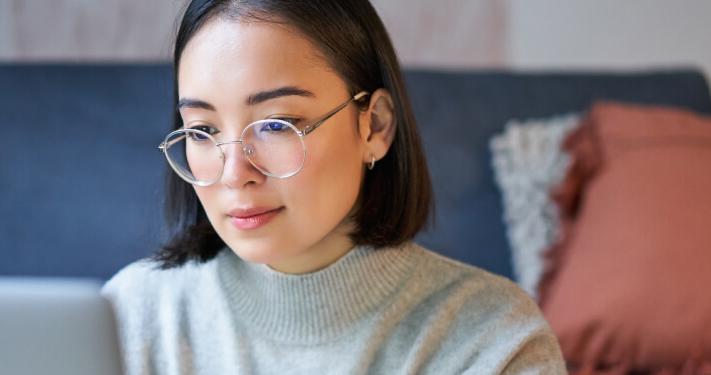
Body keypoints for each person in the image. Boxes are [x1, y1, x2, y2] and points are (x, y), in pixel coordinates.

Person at [101, 0, 566, 373]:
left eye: (277, 124)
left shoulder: (492, 343)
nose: (233, 172)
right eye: (202, 131)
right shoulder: (130, 317)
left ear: (375, 127)